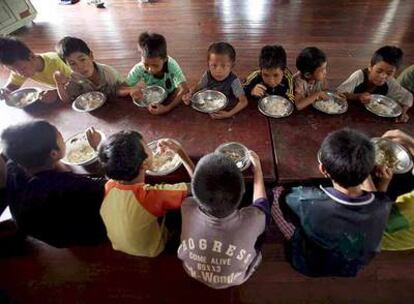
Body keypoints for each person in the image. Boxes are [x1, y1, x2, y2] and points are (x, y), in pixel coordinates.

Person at [272, 128, 393, 277]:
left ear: (322, 169)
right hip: (350, 267)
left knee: (276, 193)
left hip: (309, 264)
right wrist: (382, 180)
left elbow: (286, 198)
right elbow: (378, 197)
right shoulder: (384, 205)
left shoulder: (309, 201)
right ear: (369, 170)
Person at [0, 121, 107, 247]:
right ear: (53, 153)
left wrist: (55, 162)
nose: (62, 137)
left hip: (47, 232)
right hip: (80, 235)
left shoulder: (13, 166)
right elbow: (112, 186)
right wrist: (100, 149)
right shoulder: (71, 186)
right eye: (60, 135)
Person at [178, 151, 270, 288]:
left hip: (192, 271)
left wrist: (182, 154)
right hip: (236, 278)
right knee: (267, 206)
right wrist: (257, 169)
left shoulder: (187, 208)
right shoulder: (255, 219)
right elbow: (261, 202)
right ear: (243, 190)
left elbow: (197, 191)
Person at [98, 131, 194, 257]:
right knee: (184, 210)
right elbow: (197, 187)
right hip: (151, 249)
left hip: (119, 244)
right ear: (145, 164)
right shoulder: (152, 196)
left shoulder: (109, 185)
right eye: (148, 147)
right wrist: (181, 152)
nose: (151, 149)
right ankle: (166, 240)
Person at [337, 46, 413, 123]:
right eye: (379, 71)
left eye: (389, 73)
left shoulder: (390, 82)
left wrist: (403, 113)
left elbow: (408, 97)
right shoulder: (359, 76)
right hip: (350, 116)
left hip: (373, 120)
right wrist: (358, 96)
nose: (383, 76)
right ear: (370, 67)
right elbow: (339, 93)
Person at [122, 32, 188, 115]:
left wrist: (167, 108)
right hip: (150, 97)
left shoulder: (171, 65)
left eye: (155, 66)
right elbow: (121, 88)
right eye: (146, 65)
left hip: (172, 95)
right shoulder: (139, 68)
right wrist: (130, 90)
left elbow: (184, 89)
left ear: (164, 59)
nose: (150, 69)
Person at [182, 42, 248, 119]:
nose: (218, 71)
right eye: (214, 65)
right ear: (208, 65)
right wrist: (189, 94)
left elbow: (243, 101)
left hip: (225, 110)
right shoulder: (207, 75)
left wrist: (229, 114)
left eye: (223, 66)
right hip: (206, 108)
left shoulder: (233, 80)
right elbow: (198, 87)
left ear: (232, 66)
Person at [0, 37, 72, 104]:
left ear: (32, 57)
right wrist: (5, 91)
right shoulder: (20, 68)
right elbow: (11, 86)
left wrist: (56, 92)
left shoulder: (57, 63)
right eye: (12, 70)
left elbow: (78, 84)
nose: (19, 74)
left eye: (23, 68)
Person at [54, 36, 123, 102]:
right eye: (72, 64)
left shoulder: (108, 73)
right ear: (67, 65)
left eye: (82, 59)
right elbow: (67, 100)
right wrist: (59, 84)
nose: (80, 67)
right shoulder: (74, 78)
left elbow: (124, 90)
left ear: (91, 56)